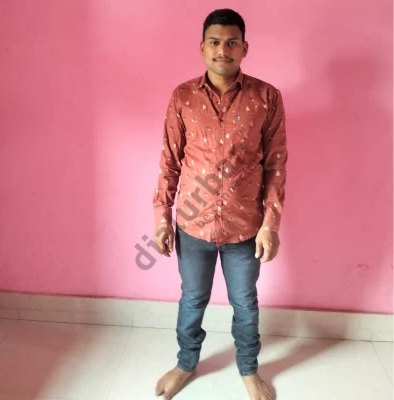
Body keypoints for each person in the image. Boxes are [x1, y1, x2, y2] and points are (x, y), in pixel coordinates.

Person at [152, 8, 287, 400]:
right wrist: (161, 219)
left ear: (245, 48)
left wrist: (270, 225)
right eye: (214, 42)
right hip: (192, 225)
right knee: (192, 299)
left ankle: (248, 369)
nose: (222, 50)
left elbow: (276, 164)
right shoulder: (183, 96)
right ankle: (185, 363)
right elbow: (169, 162)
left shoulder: (266, 97)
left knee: (245, 302)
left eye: (231, 42)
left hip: (245, 228)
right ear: (202, 48)